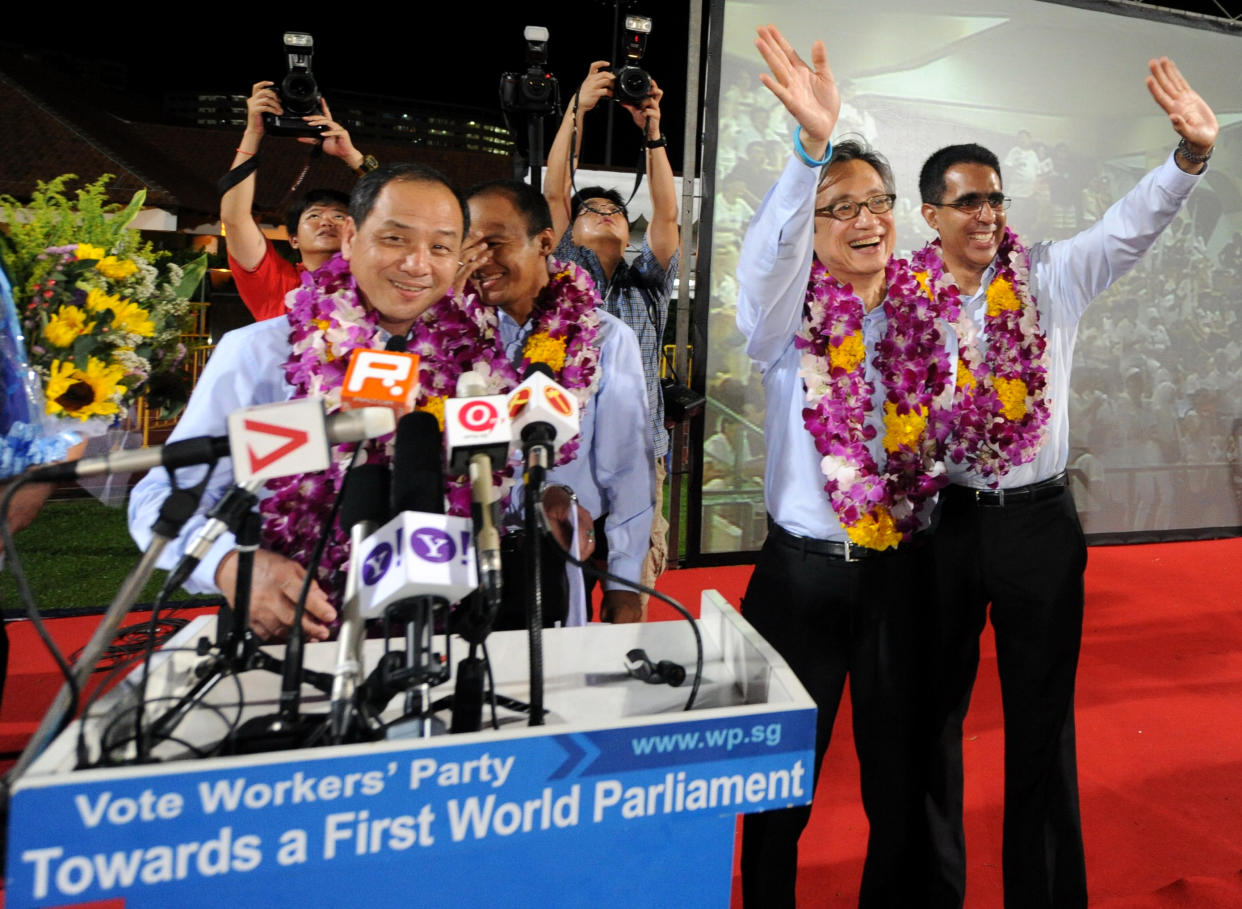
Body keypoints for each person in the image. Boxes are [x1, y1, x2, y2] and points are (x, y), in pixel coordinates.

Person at [916, 57, 1218, 909]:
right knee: (929, 720)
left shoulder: (1051, 277)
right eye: (968, 199)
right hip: (945, 525)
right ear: (931, 212)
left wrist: (1187, 160)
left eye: (996, 197)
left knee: (1041, 729)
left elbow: (1129, 227)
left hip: (1039, 528)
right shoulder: (899, 297)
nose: (987, 212)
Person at [735, 27, 957, 907]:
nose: (866, 218)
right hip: (801, 582)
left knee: (898, 783)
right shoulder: (784, 322)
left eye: (878, 202)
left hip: (903, 575)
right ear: (815, 227)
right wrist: (807, 154)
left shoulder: (928, 310)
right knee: (778, 795)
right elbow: (765, 262)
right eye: (842, 205)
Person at [131, 163, 491, 641]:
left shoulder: (477, 368)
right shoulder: (262, 353)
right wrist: (228, 566)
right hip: (293, 638)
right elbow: (159, 498)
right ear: (349, 236)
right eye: (395, 239)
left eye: (440, 247)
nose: (418, 264)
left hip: (434, 641)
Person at [461, 180, 653, 625]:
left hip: (557, 560)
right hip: (460, 557)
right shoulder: (447, 337)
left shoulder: (604, 337)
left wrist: (623, 585)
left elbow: (627, 470)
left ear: (544, 241)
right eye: (467, 246)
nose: (478, 260)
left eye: (493, 243)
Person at [544, 61, 678, 616]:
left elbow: (667, 213)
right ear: (567, 232)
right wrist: (578, 108)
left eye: (616, 211)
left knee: (629, 605)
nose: (605, 215)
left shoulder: (647, 284)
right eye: (591, 210)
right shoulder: (560, 275)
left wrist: (653, 131)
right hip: (563, 462)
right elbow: (555, 188)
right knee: (556, 596)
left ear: (630, 232)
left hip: (640, 462)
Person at [221, 80, 377, 321]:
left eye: (339, 216)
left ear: (353, 235)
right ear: (293, 239)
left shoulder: (375, 281)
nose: (326, 222)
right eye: (313, 216)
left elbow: (406, 216)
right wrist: (253, 132)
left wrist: (352, 156)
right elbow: (235, 219)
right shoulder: (276, 283)